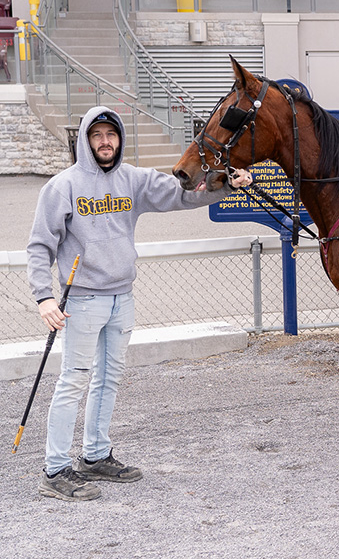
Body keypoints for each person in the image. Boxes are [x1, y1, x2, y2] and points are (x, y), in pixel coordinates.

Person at [27, 106, 253, 501]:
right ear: (85, 139)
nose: (104, 142)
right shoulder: (62, 186)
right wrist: (44, 296)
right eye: (96, 135)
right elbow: (39, 246)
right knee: (73, 381)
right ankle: (55, 468)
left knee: (108, 379)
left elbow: (183, 195)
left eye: (110, 135)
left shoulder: (133, 180)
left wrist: (227, 185)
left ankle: (95, 457)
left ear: (119, 138)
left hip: (121, 298)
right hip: (80, 303)